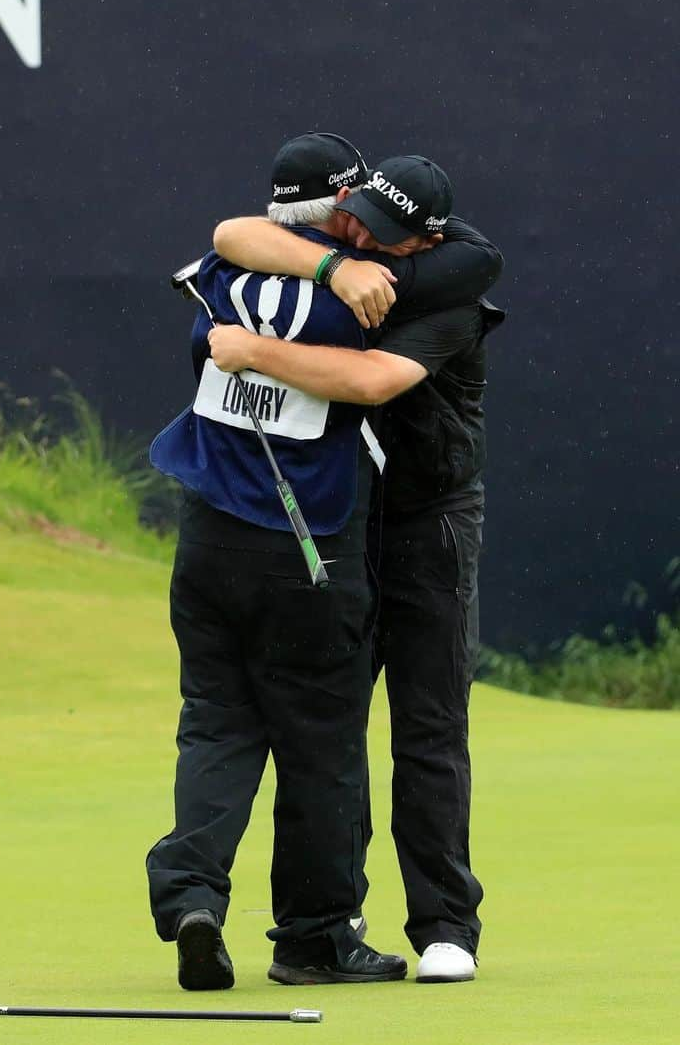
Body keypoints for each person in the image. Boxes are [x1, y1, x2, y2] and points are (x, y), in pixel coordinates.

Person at [146, 134, 500, 991]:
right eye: (354, 221)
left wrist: (252, 345)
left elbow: (375, 377)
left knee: (415, 723)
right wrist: (335, 271)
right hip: (326, 536)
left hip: (413, 523)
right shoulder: (341, 284)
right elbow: (243, 232)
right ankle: (313, 936)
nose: (363, 239)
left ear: (424, 241)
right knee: (325, 741)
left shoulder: (439, 285)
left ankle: (441, 922)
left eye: (380, 232)